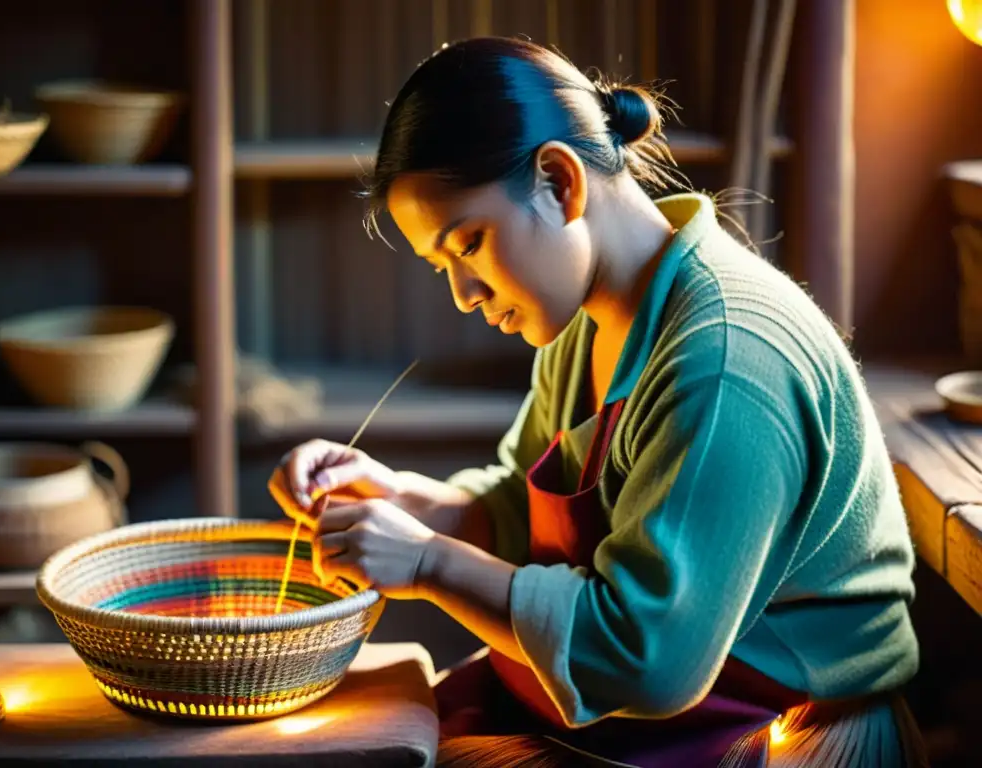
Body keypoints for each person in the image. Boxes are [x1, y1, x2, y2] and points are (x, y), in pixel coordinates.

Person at [279, 36, 928, 767]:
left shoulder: (725, 354)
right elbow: (519, 511)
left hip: (768, 733)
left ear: (560, 183)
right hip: (637, 725)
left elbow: (647, 659)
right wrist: (403, 501)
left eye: (469, 244)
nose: (463, 295)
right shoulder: (583, 324)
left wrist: (428, 563)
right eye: (443, 266)